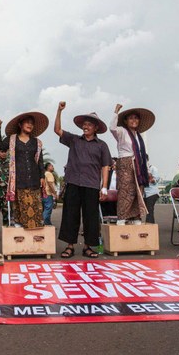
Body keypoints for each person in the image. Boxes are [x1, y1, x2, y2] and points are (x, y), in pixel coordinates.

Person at [54, 102, 112, 258]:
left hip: (92, 185)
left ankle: (88, 247)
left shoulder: (102, 145)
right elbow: (57, 130)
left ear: (96, 128)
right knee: (70, 215)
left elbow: (105, 166)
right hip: (73, 182)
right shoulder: (74, 140)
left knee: (91, 217)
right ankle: (69, 246)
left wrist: (104, 187)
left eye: (89, 125)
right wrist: (59, 111)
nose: (86, 127)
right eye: (84, 124)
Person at [0, 112, 48, 229]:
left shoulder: (36, 142)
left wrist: (42, 177)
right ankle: (21, 237)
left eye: (32, 123)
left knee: (36, 208)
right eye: (27, 122)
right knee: (20, 209)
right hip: (18, 180)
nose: (30, 124)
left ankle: (36, 238)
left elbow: (40, 161)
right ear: (20, 124)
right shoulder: (12, 139)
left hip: (34, 180)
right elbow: (0, 146)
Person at [110, 105, 154, 225]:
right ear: (125, 121)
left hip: (139, 165)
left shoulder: (139, 136)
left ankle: (135, 216)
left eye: (136, 118)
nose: (134, 120)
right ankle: (122, 217)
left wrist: (148, 171)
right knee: (125, 190)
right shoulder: (122, 131)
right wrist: (115, 112)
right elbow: (112, 128)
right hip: (125, 163)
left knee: (137, 190)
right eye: (131, 118)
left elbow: (142, 154)